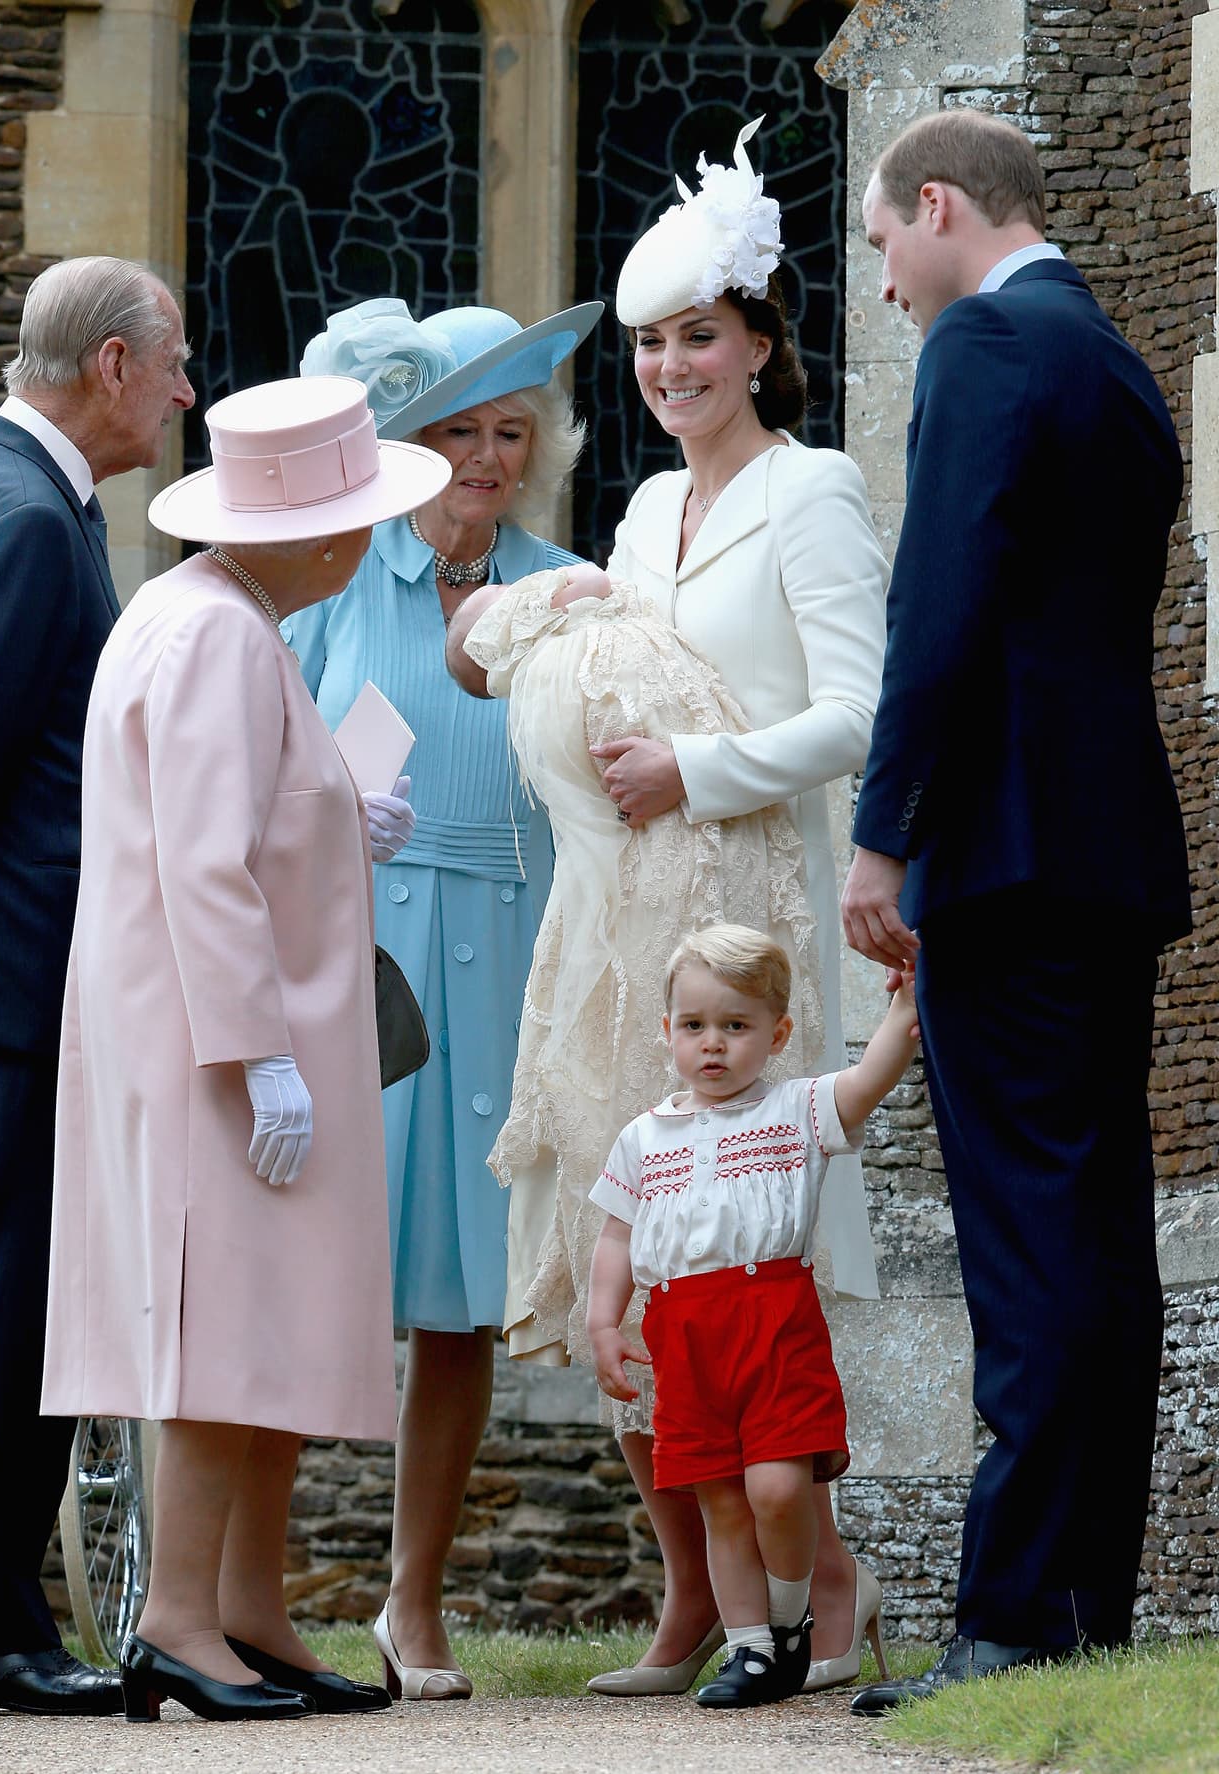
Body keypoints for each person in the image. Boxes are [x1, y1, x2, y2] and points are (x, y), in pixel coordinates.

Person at [450, 118, 890, 1694]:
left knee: (736, 1261)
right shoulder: (639, 515)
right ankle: (691, 1600)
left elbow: (859, 710)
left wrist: (693, 771)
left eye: (698, 334)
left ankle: (822, 1588)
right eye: (647, 343)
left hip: (740, 907)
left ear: (763, 341)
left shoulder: (816, 491)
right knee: (625, 1245)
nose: (670, 366)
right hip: (614, 911)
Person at [841, 110, 1190, 1709]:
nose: (886, 274)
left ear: (938, 206)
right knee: (1100, 1230)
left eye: (883, 239)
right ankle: (1082, 1603)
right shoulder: (1114, 360)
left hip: (1007, 841)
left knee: (1031, 1233)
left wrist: (883, 833)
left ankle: (1015, 1618)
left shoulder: (986, 342)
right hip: (1109, 845)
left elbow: (944, 597)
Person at [39, 375, 451, 1723]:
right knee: (221, 1324)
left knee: (267, 1322)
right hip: (221, 1041)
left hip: (240, 1029)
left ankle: (248, 1605)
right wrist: (255, 1050)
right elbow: (205, 867)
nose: (365, 542)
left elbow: (247, 815)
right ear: (313, 532)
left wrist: (342, 813)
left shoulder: (217, 617)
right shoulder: (215, 633)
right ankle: (176, 1619)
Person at [286, 295, 600, 1700]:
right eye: (459, 429)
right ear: (409, 441)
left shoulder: (570, 588)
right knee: (307, 1280)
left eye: (510, 431)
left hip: (523, 960)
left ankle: (412, 1607)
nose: (485, 455)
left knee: (462, 1309)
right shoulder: (336, 583)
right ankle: (248, 1588)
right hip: (364, 966)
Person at [0, 256, 193, 1717]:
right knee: (5, 1307)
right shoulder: (32, 517)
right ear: (108, 366)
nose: (181, 393)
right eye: (171, 365)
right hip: (12, 983)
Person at [588, 926, 917, 1709]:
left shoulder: (796, 1110)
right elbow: (616, 1235)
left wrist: (906, 1005)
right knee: (720, 1502)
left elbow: (872, 1076)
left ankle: (789, 1620)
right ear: (667, 1032)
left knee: (777, 1489)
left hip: (773, 1325)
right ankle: (749, 1653)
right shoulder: (644, 1138)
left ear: (776, 1034)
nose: (713, 1045)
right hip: (684, 1336)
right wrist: (605, 1323)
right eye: (695, 1026)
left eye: (736, 1027)